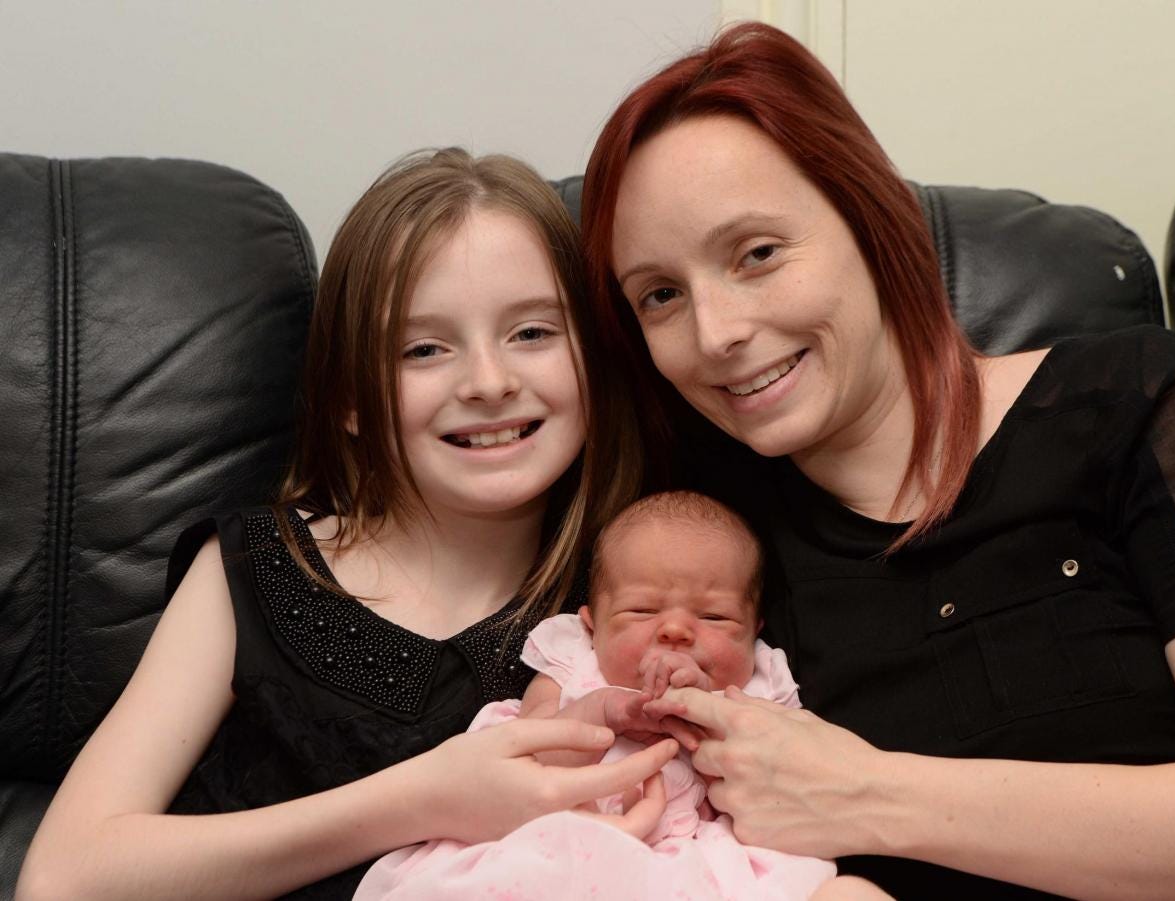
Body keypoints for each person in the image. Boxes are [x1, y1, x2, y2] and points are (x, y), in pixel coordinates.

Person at [576, 22, 1175, 899]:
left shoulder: (1131, 405)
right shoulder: (709, 549)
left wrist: (873, 794)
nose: (716, 333)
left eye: (757, 254)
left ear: (869, 219)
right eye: (660, 295)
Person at [17, 148, 679, 901]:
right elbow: (64, 874)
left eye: (532, 332)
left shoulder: (635, 598)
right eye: (424, 348)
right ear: (350, 399)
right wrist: (422, 799)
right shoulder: (259, 568)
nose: (490, 382)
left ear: (594, 358)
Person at [355, 490, 876, 900]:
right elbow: (529, 752)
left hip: (693, 861)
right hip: (559, 832)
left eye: (714, 617)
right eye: (642, 611)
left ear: (755, 630)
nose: (675, 629)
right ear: (591, 626)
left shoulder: (760, 684)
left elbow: (784, 783)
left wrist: (708, 712)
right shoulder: (573, 664)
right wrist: (603, 712)